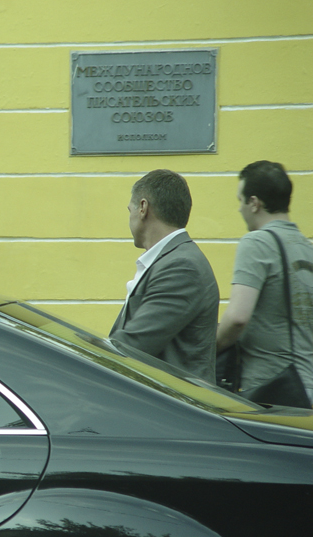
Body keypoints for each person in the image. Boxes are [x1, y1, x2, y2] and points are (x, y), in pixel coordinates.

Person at [216, 161, 313, 402]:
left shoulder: (257, 242)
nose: (239, 209)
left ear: (254, 203)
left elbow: (237, 318)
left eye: (240, 200)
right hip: (306, 387)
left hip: (272, 389)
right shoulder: (306, 247)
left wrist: (206, 349)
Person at [109, 169, 219, 382]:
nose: (129, 217)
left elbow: (133, 346)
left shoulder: (181, 266)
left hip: (172, 400)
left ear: (143, 208)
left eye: (130, 210)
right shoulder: (173, 259)